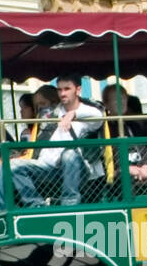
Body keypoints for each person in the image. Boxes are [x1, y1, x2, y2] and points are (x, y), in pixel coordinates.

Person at [7, 76, 103, 207]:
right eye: (59, 90)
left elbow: (99, 115)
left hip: (77, 168)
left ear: (78, 90)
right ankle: (36, 204)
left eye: (67, 89)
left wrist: (73, 114)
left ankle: (70, 203)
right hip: (50, 168)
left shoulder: (88, 110)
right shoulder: (53, 113)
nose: (63, 93)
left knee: (69, 154)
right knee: (13, 165)